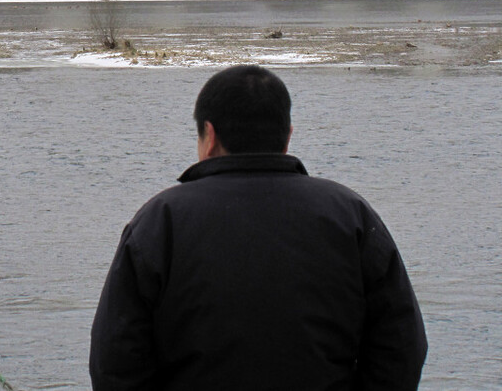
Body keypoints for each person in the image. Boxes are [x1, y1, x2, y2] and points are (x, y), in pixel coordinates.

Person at [90, 65, 426, 390]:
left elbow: (116, 359)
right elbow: (401, 344)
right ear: (287, 136)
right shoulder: (350, 216)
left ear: (209, 135)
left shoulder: (160, 221)